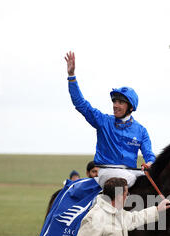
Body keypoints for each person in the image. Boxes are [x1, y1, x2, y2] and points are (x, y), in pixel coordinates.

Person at [64, 51, 156, 188]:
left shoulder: (141, 131)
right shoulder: (103, 121)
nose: (115, 105)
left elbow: (149, 156)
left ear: (130, 107)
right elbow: (80, 104)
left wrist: (149, 163)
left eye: (120, 102)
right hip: (107, 173)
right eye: (114, 101)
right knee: (125, 181)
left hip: (131, 173)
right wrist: (71, 76)